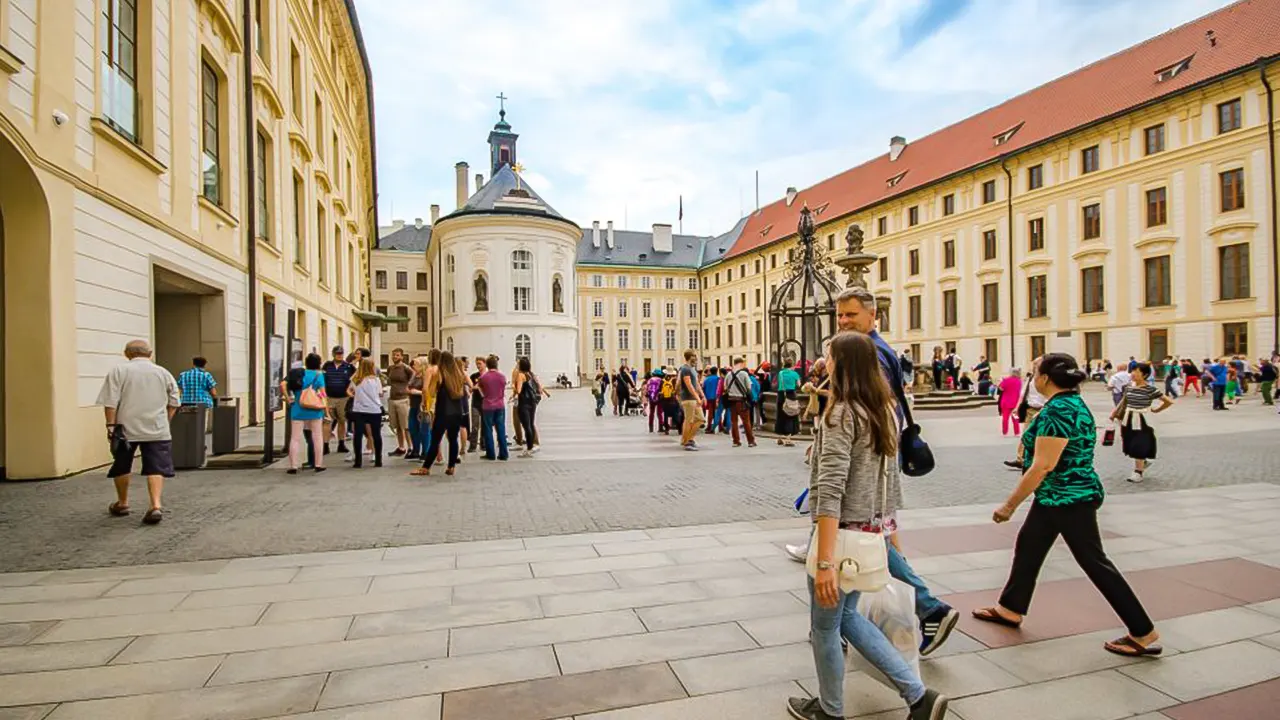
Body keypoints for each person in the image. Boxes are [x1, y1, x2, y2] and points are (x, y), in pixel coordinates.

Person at [786, 288, 959, 658]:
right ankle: (901, 611)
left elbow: (870, 408)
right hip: (872, 459)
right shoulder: (877, 349)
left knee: (861, 538)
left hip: (865, 466)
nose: (844, 321)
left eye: (850, 315)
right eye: (840, 316)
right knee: (875, 538)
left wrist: (837, 440)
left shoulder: (870, 354)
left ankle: (915, 609)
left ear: (872, 313)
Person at [975, 353, 1162, 660]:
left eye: (1036, 372)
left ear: (1046, 379)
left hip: (1068, 498)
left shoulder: (1059, 411)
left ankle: (1142, 632)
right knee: (1029, 547)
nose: (1033, 377)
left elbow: (1043, 466)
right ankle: (1010, 608)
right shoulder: (1073, 403)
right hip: (1056, 498)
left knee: (1094, 562)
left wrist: (1009, 506)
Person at [97, 340, 181, 525]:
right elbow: (174, 401)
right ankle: (155, 505)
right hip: (157, 428)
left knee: (122, 464)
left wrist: (111, 426)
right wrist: (165, 420)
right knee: (156, 466)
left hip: (125, 429)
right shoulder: (163, 372)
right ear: (150, 353)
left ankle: (123, 503)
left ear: (127, 353)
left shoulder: (118, 371)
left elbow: (110, 401)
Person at [1110, 362, 1172, 484]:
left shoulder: (1150, 389)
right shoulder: (1129, 387)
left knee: (1139, 444)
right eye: (1132, 371)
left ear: (1144, 375)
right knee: (1130, 443)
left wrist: (1156, 410)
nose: (1133, 374)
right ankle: (1142, 462)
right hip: (1128, 419)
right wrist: (1114, 414)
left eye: (1136, 372)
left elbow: (1168, 401)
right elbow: (1124, 401)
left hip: (1143, 420)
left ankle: (1138, 472)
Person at [411, 350, 467, 475]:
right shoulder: (458, 375)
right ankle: (451, 466)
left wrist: (425, 402)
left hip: (443, 411)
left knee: (435, 440)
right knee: (453, 439)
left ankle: (425, 467)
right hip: (457, 411)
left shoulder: (439, 374)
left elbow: (429, 391)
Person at [285, 353, 328, 474]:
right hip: (315, 410)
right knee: (317, 437)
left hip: (298, 409)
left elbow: (284, 385)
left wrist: (288, 398)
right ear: (319, 363)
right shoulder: (318, 375)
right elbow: (323, 394)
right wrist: (325, 407)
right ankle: (318, 464)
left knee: (295, 438)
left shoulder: (297, 374)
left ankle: (293, 466)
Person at [347, 358, 384, 468]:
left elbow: (349, 390)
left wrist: (356, 396)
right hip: (374, 409)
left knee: (358, 435)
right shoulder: (376, 380)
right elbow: (380, 393)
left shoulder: (356, 379)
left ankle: (358, 461)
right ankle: (378, 460)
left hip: (359, 409)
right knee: (376, 434)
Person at [512, 357, 550, 458]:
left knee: (526, 425)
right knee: (531, 424)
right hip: (532, 402)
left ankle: (528, 448)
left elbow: (519, 390)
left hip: (524, 402)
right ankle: (532, 446)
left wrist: (513, 386)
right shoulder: (530, 374)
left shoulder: (521, 375)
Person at [321, 346, 354, 454]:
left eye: (341, 353)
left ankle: (341, 443)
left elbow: (355, 378)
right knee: (327, 421)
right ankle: (325, 445)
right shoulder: (327, 366)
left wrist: (352, 392)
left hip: (343, 398)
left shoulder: (348, 367)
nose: (339, 355)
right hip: (329, 397)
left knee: (342, 421)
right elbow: (322, 378)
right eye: (337, 353)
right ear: (333, 354)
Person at [477, 355, 509, 461]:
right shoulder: (502, 377)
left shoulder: (483, 377)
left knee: (488, 430)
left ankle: (490, 454)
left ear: (487, 364)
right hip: (500, 405)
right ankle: (503, 453)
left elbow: (481, 390)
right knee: (501, 429)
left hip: (487, 406)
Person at [722, 357, 756, 448]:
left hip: (731, 400)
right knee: (746, 421)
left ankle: (736, 441)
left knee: (734, 422)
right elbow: (749, 387)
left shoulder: (728, 374)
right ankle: (751, 441)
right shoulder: (744, 374)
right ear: (741, 363)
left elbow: (725, 388)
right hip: (742, 400)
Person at [678, 350, 706, 451]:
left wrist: (702, 395)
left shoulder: (692, 369)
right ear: (690, 357)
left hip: (693, 398)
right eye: (694, 356)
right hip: (689, 398)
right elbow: (689, 385)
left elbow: (697, 384)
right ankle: (688, 441)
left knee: (699, 419)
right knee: (690, 421)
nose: (696, 358)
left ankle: (687, 439)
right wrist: (698, 397)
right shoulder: (685, 369)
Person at [176, 357, 218, 422]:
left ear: (193, 364)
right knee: (200, 425)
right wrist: (215, 402)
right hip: (203, 404)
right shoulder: (206, 375)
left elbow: (179, 391)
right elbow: (213, 393)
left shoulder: (183, 374)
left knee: (188, 424)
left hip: (185, 404)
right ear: (204, 365)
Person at [774, 358, 802, 446]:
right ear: (792, 365)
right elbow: (799, 384)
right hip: (791, 395)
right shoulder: (794, 374)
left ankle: (779, 437)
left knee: (780, 415)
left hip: (781, 395)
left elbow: (779, 383)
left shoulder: (780, 373)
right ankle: (788, 439)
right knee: (790, 415)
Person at [405, 356, 427, 460]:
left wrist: (416, 392)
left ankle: (425, 451)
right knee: (412, 427)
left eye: (416, 364)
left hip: (421, 404)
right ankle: (415, 449)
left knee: (423, 428)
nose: (413, 366)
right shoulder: (414, 375)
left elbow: (428, 391)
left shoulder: (426, 376)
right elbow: (408, 386)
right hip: (413, 404)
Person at [997, 368, 1023, 437]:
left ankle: (1005, 432)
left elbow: (1001, 389)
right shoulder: (1019, 381)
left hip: (1006, 401)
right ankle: (1017, 432)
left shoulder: (1006, 380)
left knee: (1005, 418)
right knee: (1015, 417)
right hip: (1015, 401)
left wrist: (1000, 382)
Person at [469, 356, 486, 453]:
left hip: (485, 403)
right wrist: (475, 387)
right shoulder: (474, 376)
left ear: (484, 364)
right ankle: (472, 445)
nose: (478, 366)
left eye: (479, 363)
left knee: (484, 424)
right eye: (477, 364)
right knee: (475, 425)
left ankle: (483, 444)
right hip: (475, 402)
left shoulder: (487, 375)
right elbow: (471, 389)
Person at [701, 367, 721, 434]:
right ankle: (720, 426)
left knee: (710, 412)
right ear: (716, 371)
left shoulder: (706, 379)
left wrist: (704, 397)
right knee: (718, 412)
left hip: (708, 398)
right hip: (717, 397)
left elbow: (703, 388)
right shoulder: (718, 379)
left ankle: (709, 426)